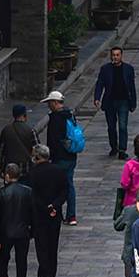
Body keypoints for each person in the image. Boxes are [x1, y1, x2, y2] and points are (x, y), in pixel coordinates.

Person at [26, 145, 69, 277]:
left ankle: (44, 274)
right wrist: (55, 205)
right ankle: (51, 274)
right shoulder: (59, 171)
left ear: (37, 157)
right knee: (53, 245)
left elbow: (33, 196)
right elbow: (64, 191)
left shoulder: (33, 173)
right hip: (54, 213)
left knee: (42, 245)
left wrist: (45, 207)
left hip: (39, 215)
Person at [0, 163, 35, 277]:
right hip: (23, 232)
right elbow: (32, 214)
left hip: (6, 233)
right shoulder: (28, 191)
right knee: (21, 262)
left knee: (3, 260)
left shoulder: (1, 193)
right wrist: (32, 231)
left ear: (7, 176)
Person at [42, 92, 80, 226]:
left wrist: (50, 158)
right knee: (69, 185)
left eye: (49, 103)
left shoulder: (56, 118)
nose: (48, 106)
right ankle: (72, 216)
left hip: (59, 158)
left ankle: (56, 213)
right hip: (71, 156)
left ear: (54, 102)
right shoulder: (70, 115)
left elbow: (53, 141)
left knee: (56, 187)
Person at [95, 47, 137, 160]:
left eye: (117, 55)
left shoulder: (128, 69)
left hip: (124, 101)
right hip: (110, 101)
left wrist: (133, 103)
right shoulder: (105, 69)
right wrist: (97, 98)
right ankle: (114, 146)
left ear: (121, 56)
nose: (115, 57)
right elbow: (100, 84)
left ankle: (122, 149)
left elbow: (132, 87)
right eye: (113, 55)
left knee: (123, 126)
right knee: (111, 126)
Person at [0, 105, 35, 173]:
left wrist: (0, 165)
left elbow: (0, 151)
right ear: (24, 115)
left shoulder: (6, 130)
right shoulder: (30, 130)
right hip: (25, 167)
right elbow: (37, 149)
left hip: (10, 167)